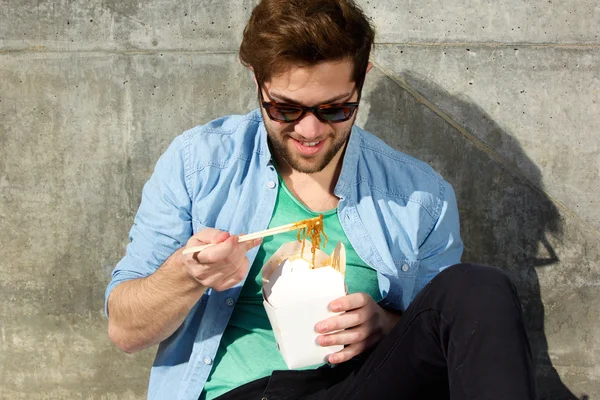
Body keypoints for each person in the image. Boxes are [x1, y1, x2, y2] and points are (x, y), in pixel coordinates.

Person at [105, 1, 538, 399]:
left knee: (479, 287)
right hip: (247, 393)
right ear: (259, 83)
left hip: (362, 385)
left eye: (335, 110)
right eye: (286, 110)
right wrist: (188, 274)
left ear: (362, 79)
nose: (310, 132)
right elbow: (125, 331)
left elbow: (445, 343)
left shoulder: (419, 197)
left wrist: (385, 326)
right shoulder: (199, 164)